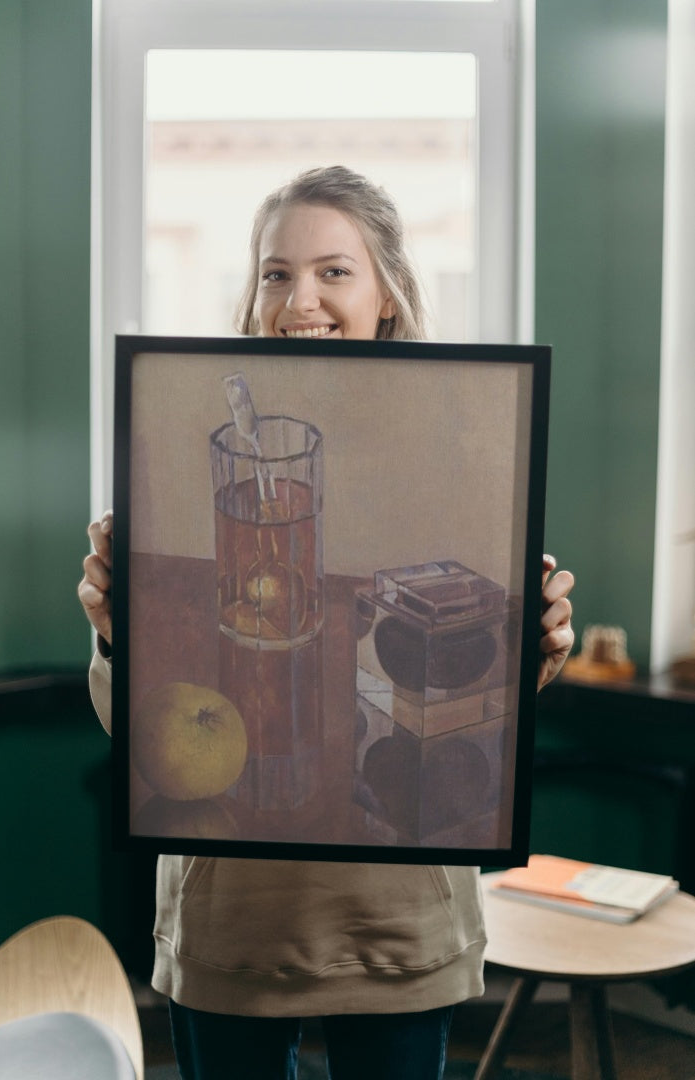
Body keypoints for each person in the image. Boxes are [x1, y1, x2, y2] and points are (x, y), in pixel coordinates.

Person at [79, 166, 575, 1080]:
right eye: (275, 272)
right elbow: (144, 732)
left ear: (387, 292)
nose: (298, 297)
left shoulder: (465, 444)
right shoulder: (178, 442)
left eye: (333, 271)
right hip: (231, 923)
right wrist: (119, 636)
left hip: (398, 921)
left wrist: (532, 649)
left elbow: (483, 715)